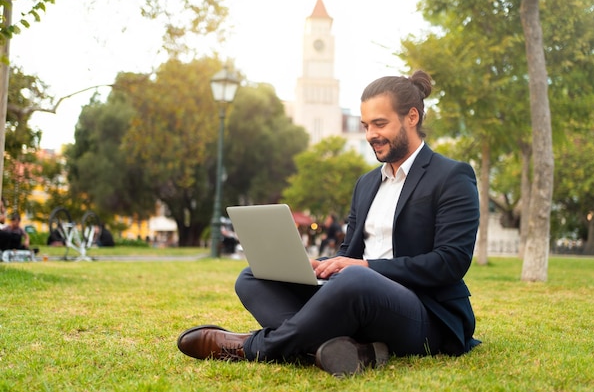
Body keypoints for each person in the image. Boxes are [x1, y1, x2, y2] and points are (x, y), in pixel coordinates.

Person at [177, 70, 481, 377]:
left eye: (380, 123)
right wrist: (320, 265)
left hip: (424, 314)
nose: (370, 134)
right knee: (253, 276)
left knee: (355, 280)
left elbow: (450, 262)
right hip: (356, 293)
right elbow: (349, 252)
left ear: (411, 117)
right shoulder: (366, 184)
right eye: (365, 126)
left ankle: (251, 347)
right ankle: (342, 350)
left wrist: (366, 268)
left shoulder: (452, 176)